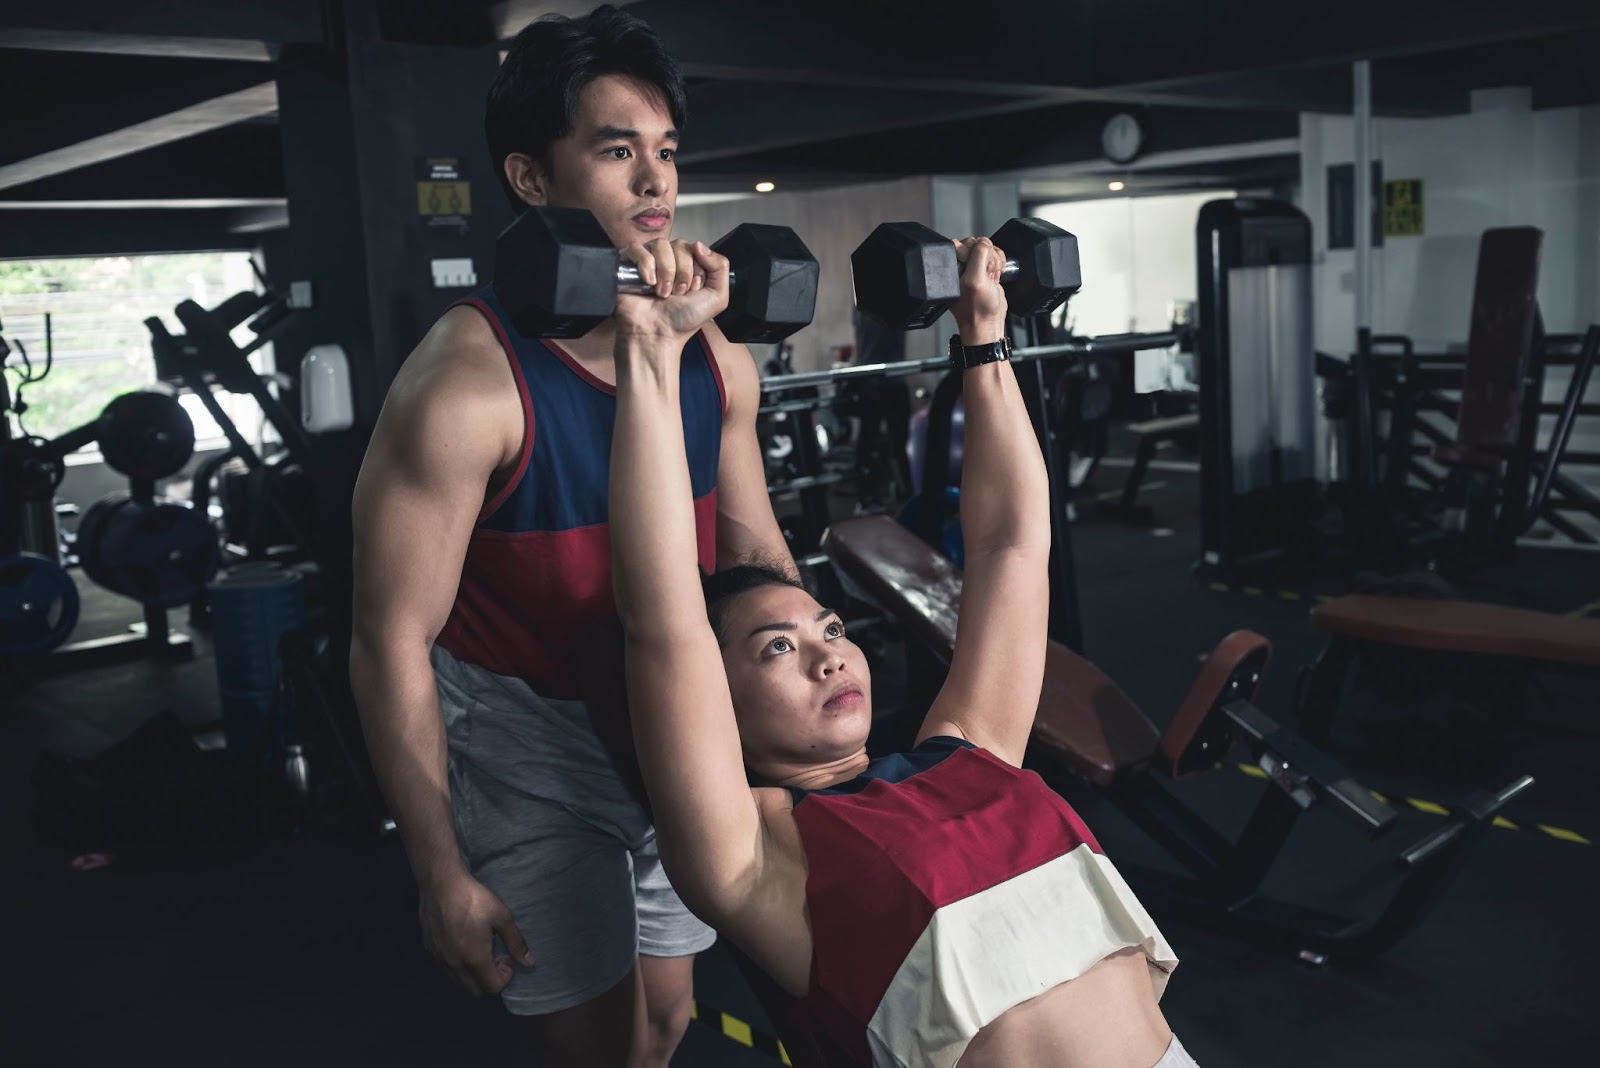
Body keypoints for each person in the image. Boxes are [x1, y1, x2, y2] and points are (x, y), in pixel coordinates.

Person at [607, 236, 1191, 1067]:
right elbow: (660, 620)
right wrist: (649, 349)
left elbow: (1011, 547)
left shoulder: (973, 750)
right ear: (713, 698)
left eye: (832, 630)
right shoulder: (753, 859)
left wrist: (984, 334)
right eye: (778, 648)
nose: (829, 657)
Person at [347, 7, 792, 1067]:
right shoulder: (465, 383)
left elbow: (755, 554)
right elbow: (389, 642)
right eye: (614, 149)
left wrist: (800, 748)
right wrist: (440, 872)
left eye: (665, 152)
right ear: (532, 180)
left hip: (663, 721)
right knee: (596, 1047)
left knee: (669, 1022)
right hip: (525, 743)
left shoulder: (712, 356)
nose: (656, 184)